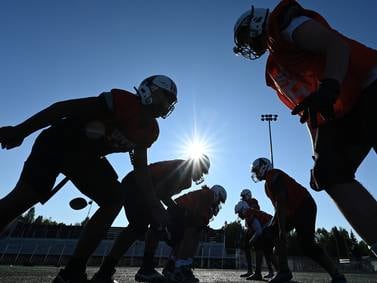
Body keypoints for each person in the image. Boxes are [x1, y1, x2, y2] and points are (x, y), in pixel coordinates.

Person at [232, 0, 377, 257]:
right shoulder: (276, 68)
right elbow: (310, 113)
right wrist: (316, 156)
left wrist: (330, 85)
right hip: (342, 108)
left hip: (369, 81)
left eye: (245, 36)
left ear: (256, 24)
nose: (246, 44)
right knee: (327, 172)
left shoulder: (284, 27)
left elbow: (336, 46)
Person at [0, 75, 178, 283]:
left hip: (86, 158)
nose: (167, 104)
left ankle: (74, 270)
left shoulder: (150, 130)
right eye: (165, 96)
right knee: (21, 200)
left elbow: (140, 168)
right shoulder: (122, 102)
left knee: (114, 198)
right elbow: (63, 109)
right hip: (59, 142)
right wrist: (21, 130)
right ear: (148, 90)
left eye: (170, 101)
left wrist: (154, 206)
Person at [91, 155, 210, 283]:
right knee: (151, 223)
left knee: (139, 227)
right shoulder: (181, 170)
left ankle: (106, 271)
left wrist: (176, 209)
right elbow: (159, 190)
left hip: (139, 186)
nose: (201, 175)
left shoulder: (186, 179)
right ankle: (145, 268)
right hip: (137, 184)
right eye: (202, 170)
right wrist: (172, 211)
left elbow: (163, 194)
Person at [251, 157, 346, 283]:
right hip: (291, 211)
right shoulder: (267, 184)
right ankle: (283, 271)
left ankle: (337, 274)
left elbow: (281, 200)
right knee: (268, 234)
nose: (255, 174)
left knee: (307, 245)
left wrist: (282, 229)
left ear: (264, 167)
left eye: (256, 170)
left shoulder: (274, 175)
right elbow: (278, 208)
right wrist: (273, 226)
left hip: (303, 205)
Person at [161, 184, 227, 283]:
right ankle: (182, 267)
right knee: (194, 231)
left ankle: (171, 266)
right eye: (219, 200)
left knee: (184, 237)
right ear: (217, 194)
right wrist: (206, 229)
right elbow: (196, 218)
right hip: (177, 213)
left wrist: (206, 228)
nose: (218, 203)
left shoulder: (204, 195)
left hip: (174, 213)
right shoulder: (208, 195)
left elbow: (195, 216)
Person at [234, 200, 275, 280]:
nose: (239, 215)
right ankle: (280, 271)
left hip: (270, 228)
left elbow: (258, 231)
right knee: (267, 251)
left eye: (239, 212)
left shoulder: (249, 214)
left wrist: (251, 240)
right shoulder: (250, 212)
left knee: (259, 247)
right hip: (270, 226)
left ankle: (258, 273)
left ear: (243, 209)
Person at [239, 189, 260, 277]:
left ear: (248, 195)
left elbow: (255, 211)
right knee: (246, 248)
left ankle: (257, 272)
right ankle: (250, 270)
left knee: (258, 248)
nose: (242, 198)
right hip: (249, 227)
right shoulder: (244, 203)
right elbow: (243, 217)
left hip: (255, 227)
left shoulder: (253, 201)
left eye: (243, 196)